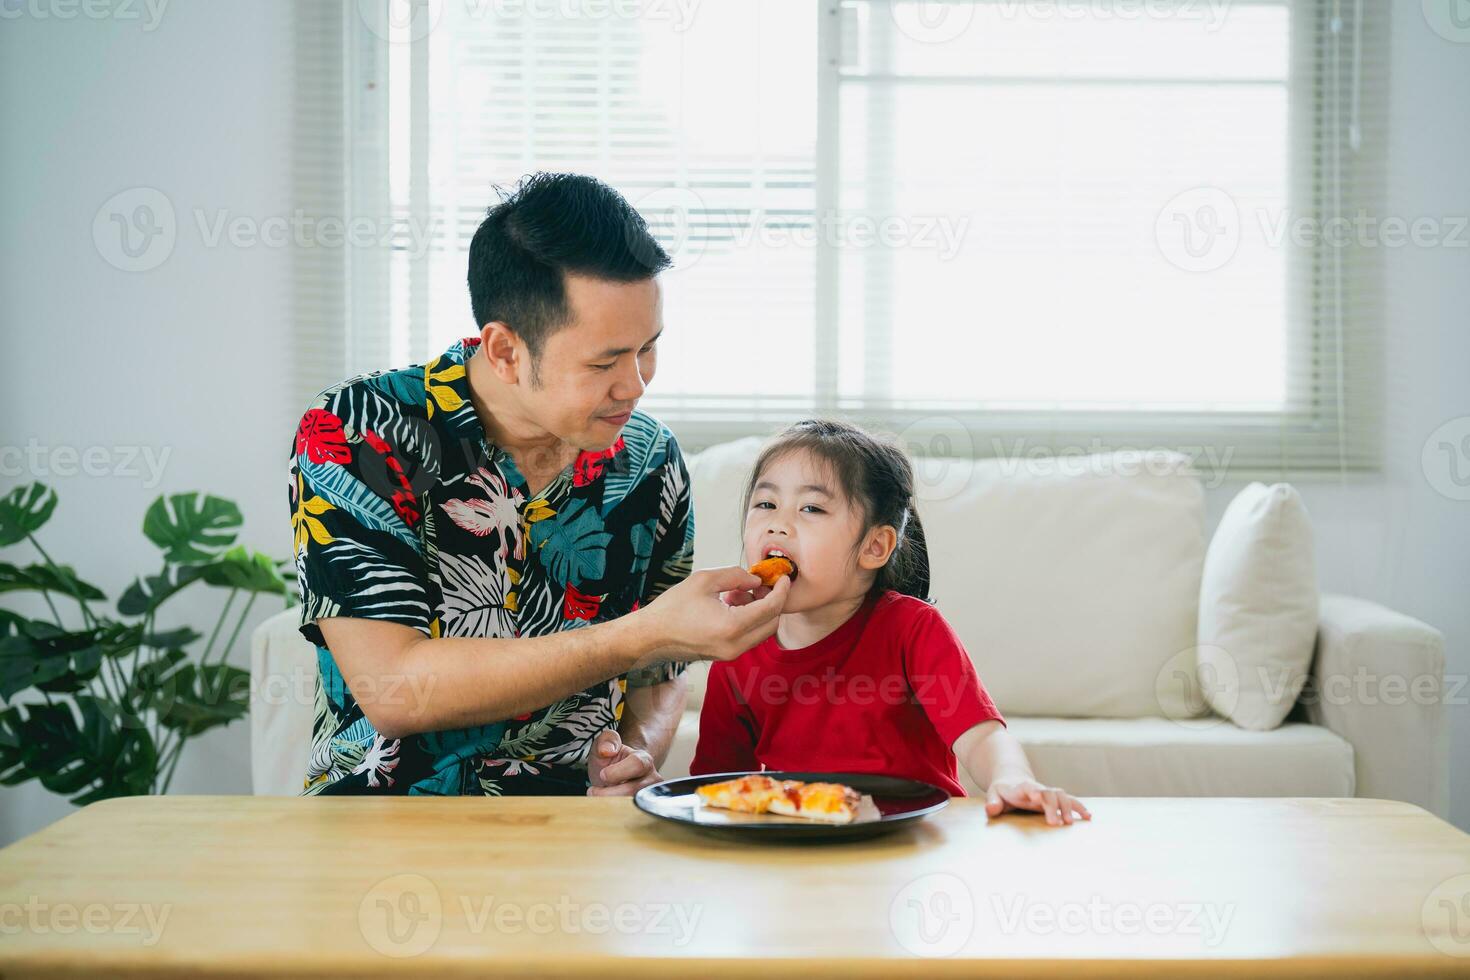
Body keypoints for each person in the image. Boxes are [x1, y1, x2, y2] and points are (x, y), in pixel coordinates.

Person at [289, 173, 788, 796]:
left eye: (648, 349)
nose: (635, 384)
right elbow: (395, 690)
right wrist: (644, 633)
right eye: (604, 362)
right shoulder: (358, 432)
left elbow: (658, 678)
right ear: (504, 352)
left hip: (580, 836)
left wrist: (631, 757)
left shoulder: (650, 458)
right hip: (387, 832)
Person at [691, 419, 1090, 826]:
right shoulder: (738, 644)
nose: (777, 524)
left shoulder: (913, 629)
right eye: (766, 504)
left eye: (811, 508)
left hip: (917, 841)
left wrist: (1011, 778)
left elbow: (981, 734)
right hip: (802, 847)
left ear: (874, 546)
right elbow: (716, 784)